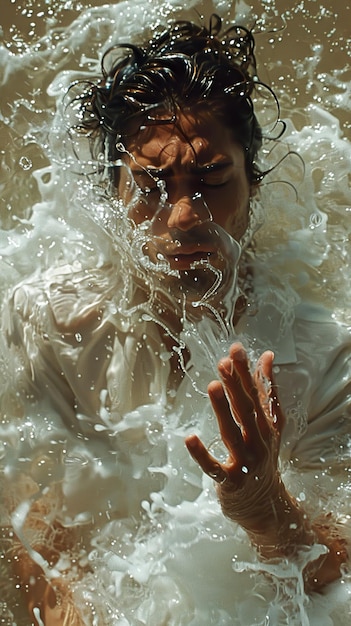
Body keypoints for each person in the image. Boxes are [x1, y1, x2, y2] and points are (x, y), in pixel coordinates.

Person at [1, 14, 350, 625]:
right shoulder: (45, 322)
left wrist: (270, 509)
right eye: (151, 183)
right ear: (112, 192)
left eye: (212, 178)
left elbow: (336, 587)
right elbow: (37, 535)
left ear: (253, 185)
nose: (184, 215)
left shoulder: (326, 359)